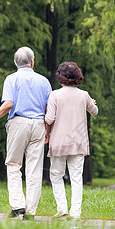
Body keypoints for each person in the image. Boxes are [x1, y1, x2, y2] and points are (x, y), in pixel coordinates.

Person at [0, 47, 52, 220]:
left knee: (14, 165)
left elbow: (9, 104)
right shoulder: (44, 81)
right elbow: (48, 109)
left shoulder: (11, 79)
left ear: (16, 63)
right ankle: (30, 212)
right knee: (34, 170)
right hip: (38, 124)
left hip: (18, 123)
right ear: (32, 62)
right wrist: (48, 129)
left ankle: (18, 206)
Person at [45, 61, 98, 220]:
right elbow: (94, 112)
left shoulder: (55, 95)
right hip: (78, 142)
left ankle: (62, 208)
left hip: (59, 142)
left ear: (60, 77)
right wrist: (92, 103)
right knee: (76, 178)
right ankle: (75, 212)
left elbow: (49, 118)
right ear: (77, 77)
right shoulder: (84, 95)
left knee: (56, 175)